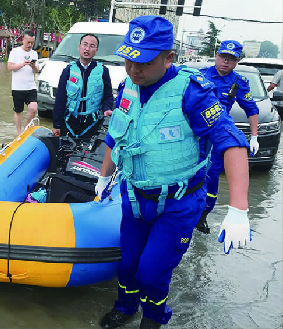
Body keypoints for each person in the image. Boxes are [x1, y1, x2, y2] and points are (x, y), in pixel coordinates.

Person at [95, 16, 251, 329]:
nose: (134, 70)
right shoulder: (128, 85)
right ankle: (125, 307)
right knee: (127, 266)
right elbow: (116, 134)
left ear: (168, 58)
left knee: (151, 272)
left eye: (144, 63)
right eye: (129, 61)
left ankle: (153, 318)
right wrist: (102, 177)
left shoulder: (192, 93)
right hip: (135, 196)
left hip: (178, 203)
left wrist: (239, 209)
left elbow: (232, 142)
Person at [196, 40, 259, 234]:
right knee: (187, 172)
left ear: (237, 61)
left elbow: (251, 109)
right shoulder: (200, 75)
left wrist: (254, 136)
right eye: (223, 57)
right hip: (194, 134)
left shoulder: (238, 82)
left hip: (217, 138)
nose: (225, 62)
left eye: (231, 59)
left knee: (212, 176)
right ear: (216, 55)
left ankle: (203, 216)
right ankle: (182, 211)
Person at [52, 33, 114, 138]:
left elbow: (108, 95)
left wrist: (107, 108)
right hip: (70, 122)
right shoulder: (68, 70)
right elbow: (60, 98)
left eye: (91, 46)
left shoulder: (103, 71)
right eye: (85, 45)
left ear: (96, 50)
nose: (87, 49)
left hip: (93, 123)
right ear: (79, 47)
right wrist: (57, 124)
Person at [7, 30, 39, 135]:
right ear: (23, 40)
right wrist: (22, 64)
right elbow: (9, 67)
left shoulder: (34, 53)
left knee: (33, 107)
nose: (30, 45)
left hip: (31, 86)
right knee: (18, 111)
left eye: (32, 42)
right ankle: (19, 132)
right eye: (28, 42)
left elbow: (36, 70)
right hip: (18, 87)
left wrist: (33, 66)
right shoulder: (15, 52)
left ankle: (26, 128)